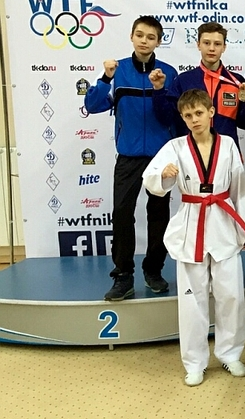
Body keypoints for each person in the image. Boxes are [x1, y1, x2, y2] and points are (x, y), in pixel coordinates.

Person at [142, 89, 245, 387]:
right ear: (182, 118)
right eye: (188, 115)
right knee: (192, 299)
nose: (194, 119)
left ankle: (230, 354)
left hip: (223, 222)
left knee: (231, 295)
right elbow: (151, 179)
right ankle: (194, 362)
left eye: (199, 113)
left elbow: (240, 188)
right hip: (191, 223)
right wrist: (165, 174)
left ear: (211, 112)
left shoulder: (228, 144)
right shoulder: (175, 146)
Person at [84, 16, 177, 300]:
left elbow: (170, 117)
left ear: (158, 42)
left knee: (158, 215)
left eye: (151, 37)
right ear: (131, 37)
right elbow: (92, 105)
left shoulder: (168, 72)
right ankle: (123, 276)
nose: (144, 41)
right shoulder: (118, 70)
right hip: (128, 156)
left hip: (160, 158)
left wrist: (160, 89)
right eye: (140, 35)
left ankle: (154, 270)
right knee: (122, 214)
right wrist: (105, 78)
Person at [153, 22, 245, 151]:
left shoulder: (237, 82)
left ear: (224, 47)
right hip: (190, 154)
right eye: (206, 43)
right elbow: (166, 118)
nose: (212, 48)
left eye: (217, 44)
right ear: (198, 45)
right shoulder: (183, 80)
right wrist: (159, 89)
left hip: (225, 153)